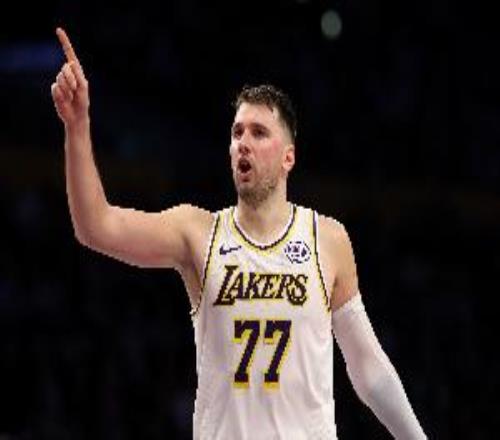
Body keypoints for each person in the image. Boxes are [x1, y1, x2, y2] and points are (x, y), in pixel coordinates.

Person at [51, 27, 427, 439]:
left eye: (259, 132)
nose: (243, 143)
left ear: (288, 158)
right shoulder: (198, 232)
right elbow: (95, 226)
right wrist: (77, 125)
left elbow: (368, 368)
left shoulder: (327, 239)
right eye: (237, 132)